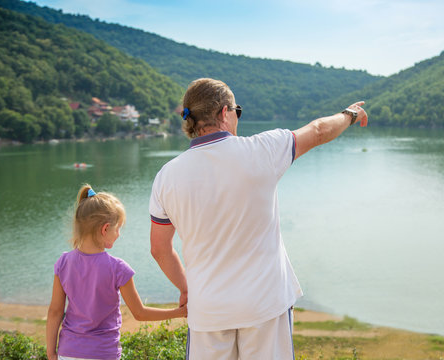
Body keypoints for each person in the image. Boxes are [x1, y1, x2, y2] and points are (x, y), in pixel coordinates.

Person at [149, 78, 368, 359]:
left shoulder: (167, 176)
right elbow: (319, 130)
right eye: (236, 111)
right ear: (223, 113)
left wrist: (186, 288)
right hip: (265, 304)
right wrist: (349, 114)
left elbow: (159, 249)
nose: (237, 118)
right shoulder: (262, 150)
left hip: (208, 310)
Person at [46, 184, 187, 360]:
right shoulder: (118, 269)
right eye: (118, 228)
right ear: (105, 229)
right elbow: (139, 313)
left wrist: (51, 352)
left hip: (68, 352)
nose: (119, 234)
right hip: (103, 353)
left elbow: (55, 311)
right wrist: (179, 312)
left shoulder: (63, 263)